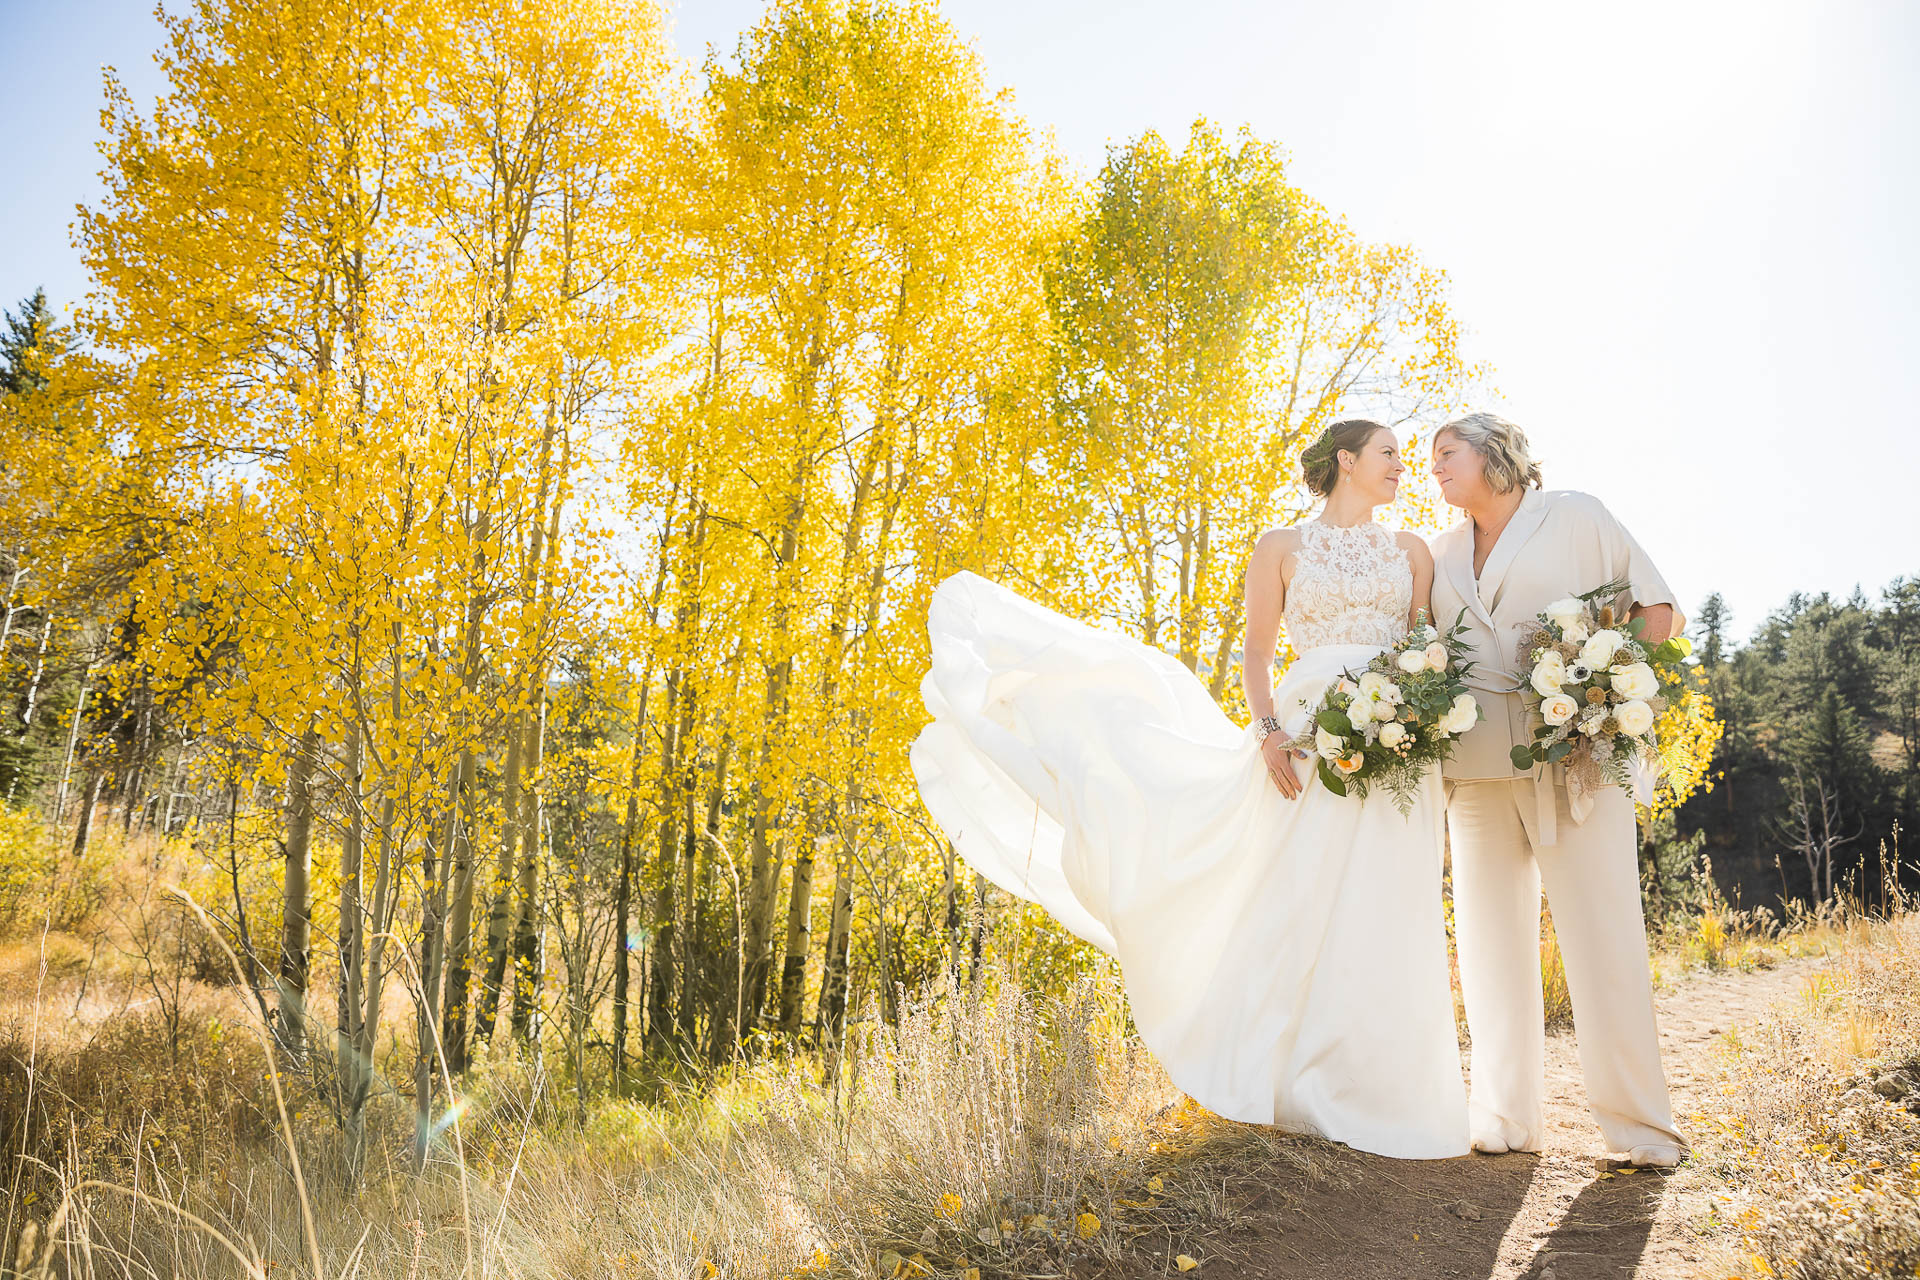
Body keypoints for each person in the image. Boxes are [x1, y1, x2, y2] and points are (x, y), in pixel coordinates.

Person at [910, 418, 1469, 1160]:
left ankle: (1388, 1086)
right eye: (1390, 454)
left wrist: (1413, 721)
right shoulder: (1280, 547)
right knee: (1298, 895)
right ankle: (1291, 1078)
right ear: (1347, 460)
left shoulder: (1412, 551)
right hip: (1304, 734)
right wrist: (1269, 730)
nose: (1404, 467)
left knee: (1387, 900)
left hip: (1396, 743)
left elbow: (1422, 645)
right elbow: (1260, 654)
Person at [1427, 411, 1688, 1168]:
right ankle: (1504, 1116)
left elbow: (1659, 613)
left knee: (1605, 939)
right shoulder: (1440, 551)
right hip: (1474, 773)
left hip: (1573, 762)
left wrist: (1592, 674)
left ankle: (1641, 1129)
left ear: (1493, 452)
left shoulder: (1576, 516)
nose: (1434, 467)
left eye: (1447, 452)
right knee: (1487, 948)